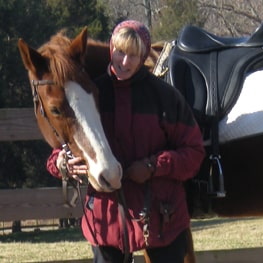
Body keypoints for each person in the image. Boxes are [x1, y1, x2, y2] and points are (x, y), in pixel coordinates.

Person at [46, 20, 205, 263]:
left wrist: (153, 166)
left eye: (133, 55)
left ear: (143, 57)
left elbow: (194, 153)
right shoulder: (90, 94)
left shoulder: (165, 97)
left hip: (162, 218)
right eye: (120, 52)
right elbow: (61, 147)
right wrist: (63, 163)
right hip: (105, 219)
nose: (124, 61)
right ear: (111, 49)